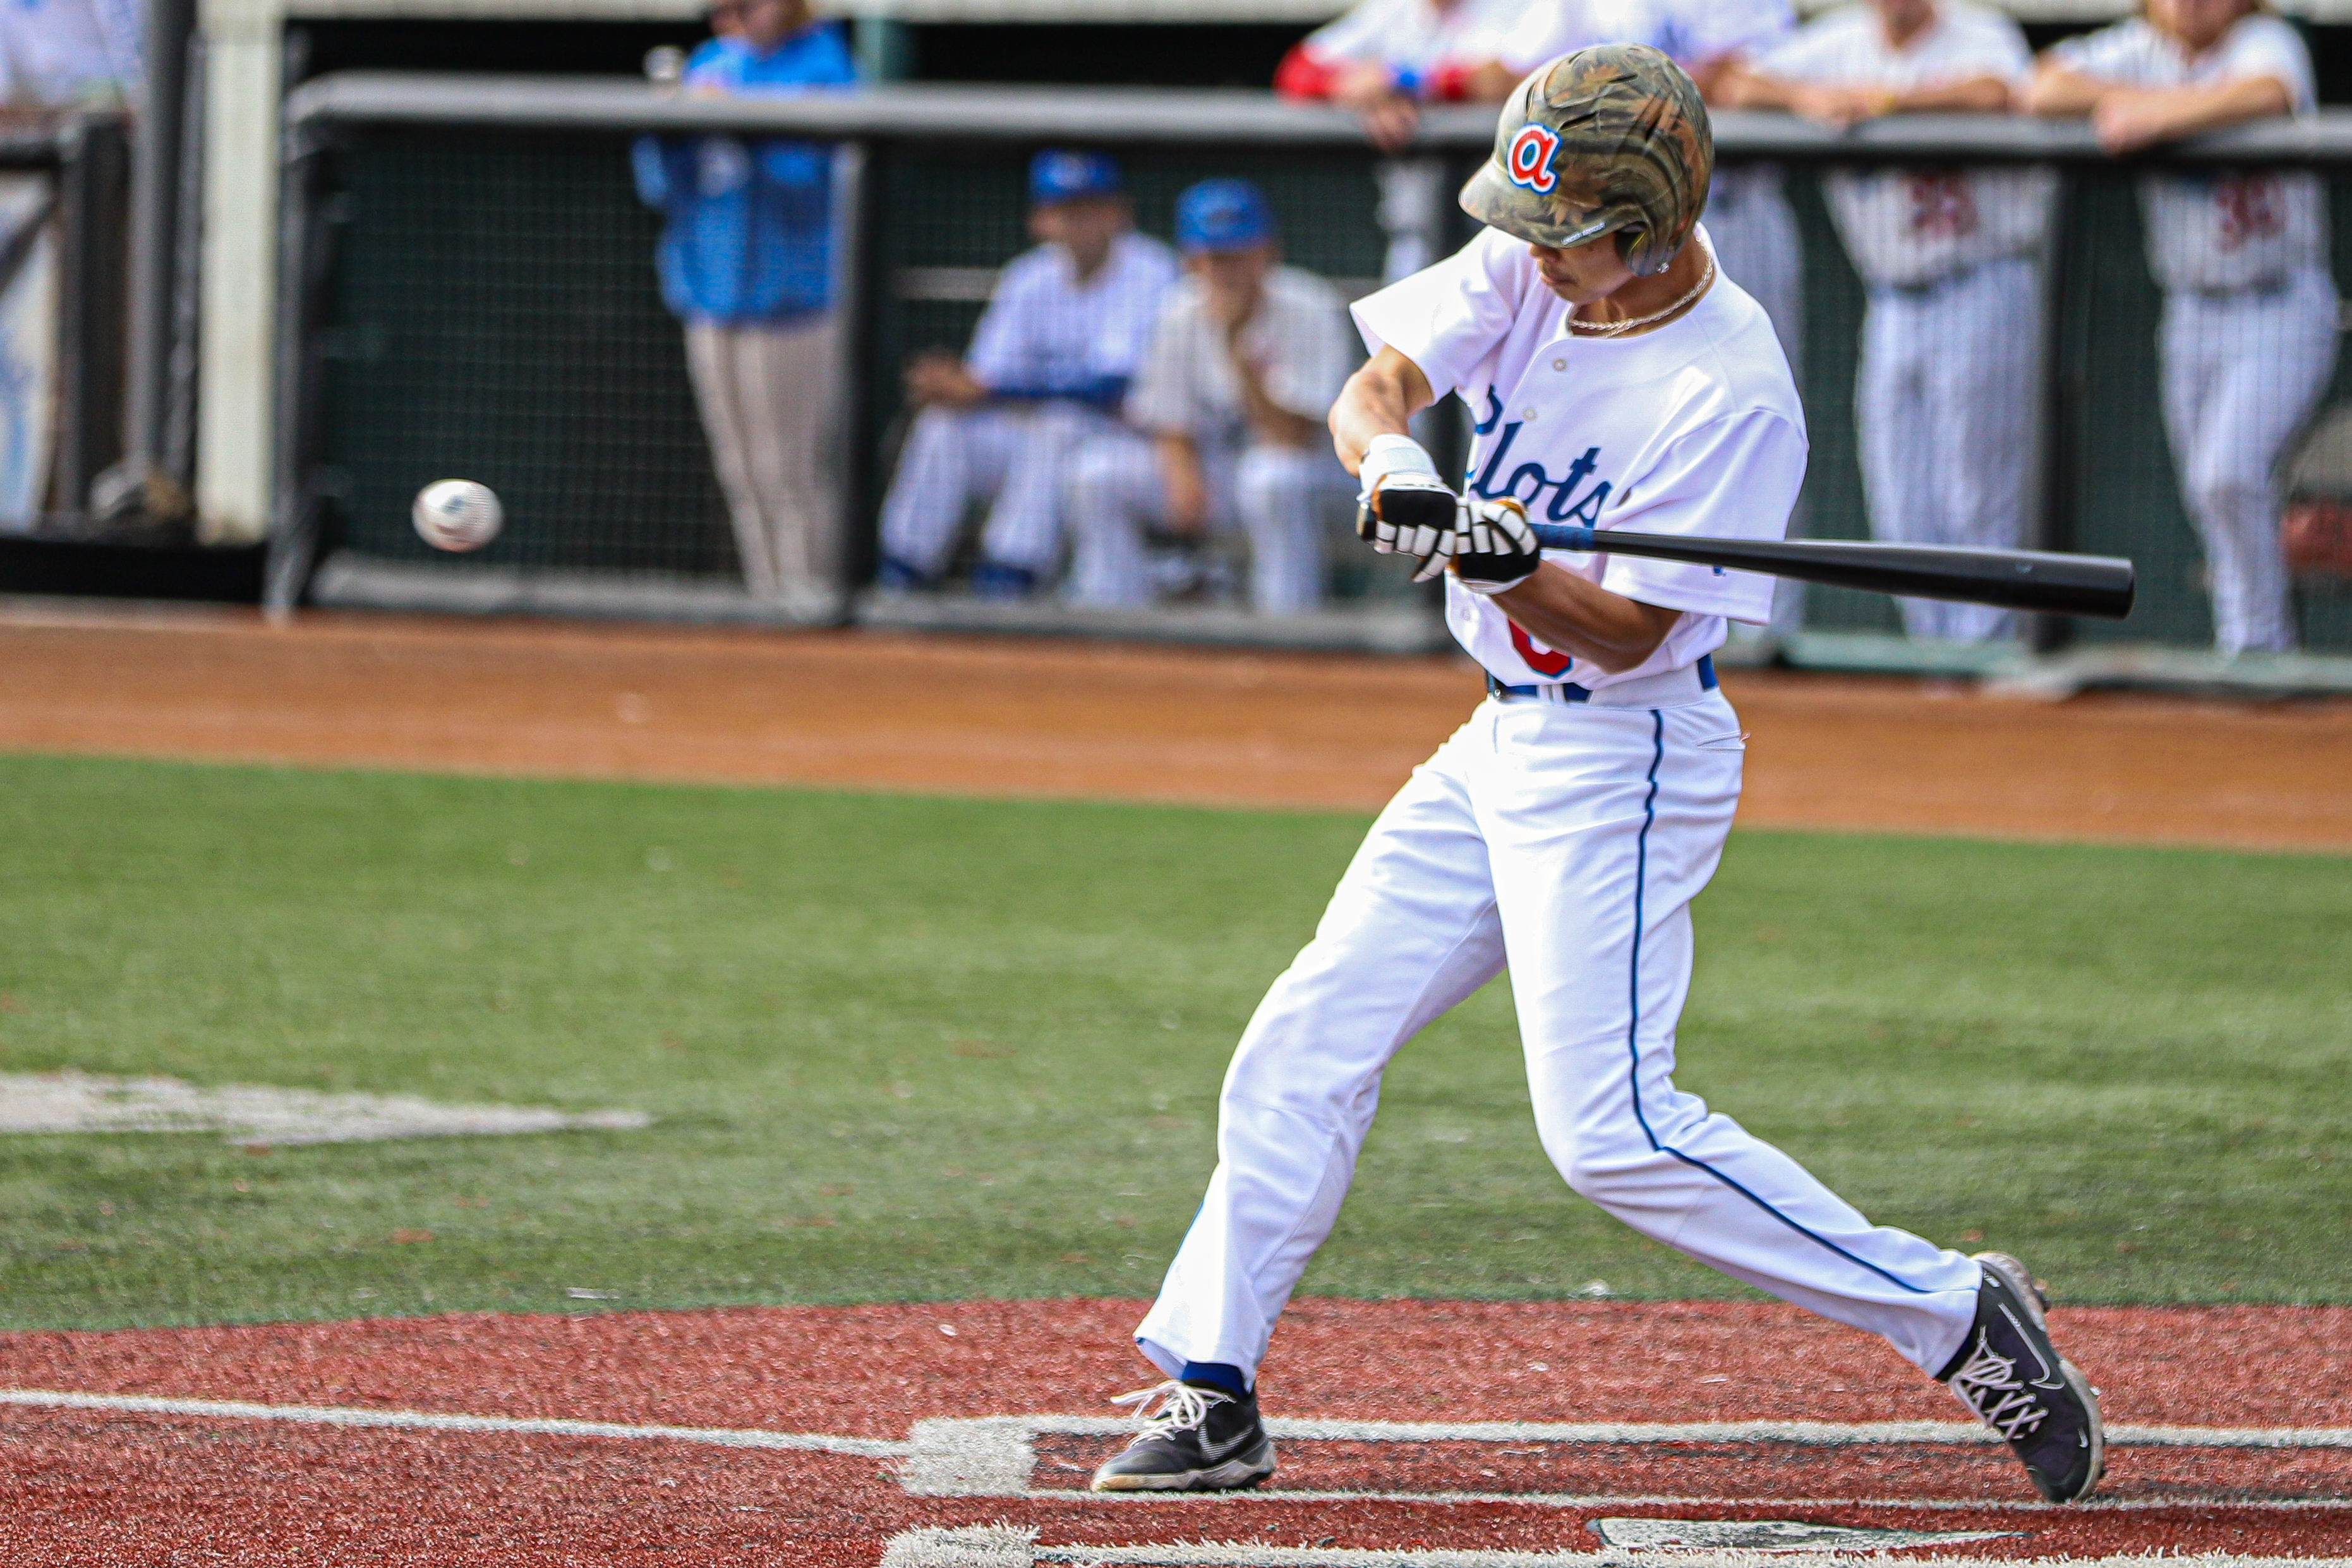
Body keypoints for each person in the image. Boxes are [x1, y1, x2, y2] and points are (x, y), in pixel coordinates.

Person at [1087, 45, 2104, 1509]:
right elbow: (1374, 385)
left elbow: (1627, 628)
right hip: (1495, 738)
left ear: (1657, 219)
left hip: (1620, 753)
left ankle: (1953, 1314)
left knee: (1609, 1135)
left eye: (1571, 239)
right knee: (1305, 1035)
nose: (1540, 258)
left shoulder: (1729, 388)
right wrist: (1397, 472)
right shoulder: (1525, 257)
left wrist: (1508, 561)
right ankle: (1212, 1385)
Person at [1720, 1, 2051, 644]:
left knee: (1978, 495)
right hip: (1892, 298)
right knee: (1901, 503)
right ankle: (1935, 656)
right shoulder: (1839, 42)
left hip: (1980, 278)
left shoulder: (1978, 32)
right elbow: (1738, 81)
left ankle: (1984, 654)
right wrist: (1811, 99)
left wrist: (1888, 102)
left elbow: (1998, 90)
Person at [2026, 0, 2334, 656]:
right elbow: (2043, 84)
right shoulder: (2140, 48)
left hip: (2277, 300)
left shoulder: (2266, 39)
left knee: (2228, 474)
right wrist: (2147, 95)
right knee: (2209, 490)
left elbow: (2269, 92)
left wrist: (2161, 114)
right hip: (2191, 310)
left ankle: (2259, 649)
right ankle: (2248, 641)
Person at [631, 0, 857, 611]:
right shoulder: (711, 63)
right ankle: (767, 601)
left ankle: (811, 602)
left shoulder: (827, 67)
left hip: (793, 301)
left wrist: (736, 121)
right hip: (710, 294)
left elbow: (812, 183)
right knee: (739, 470)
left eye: (742, 6)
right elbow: (658, 187)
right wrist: (668, 124)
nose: (726, 19)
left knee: (792, 469)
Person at [876, 152, 1177, 598]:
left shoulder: (1149, 269)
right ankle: (902, 570)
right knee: (943, 424)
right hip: (1032, 439)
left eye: (1090, 207)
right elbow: (987, 375)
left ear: (1118, 213)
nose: (1077, 221)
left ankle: (1009, 576)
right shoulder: (1028, 276)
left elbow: (1110, 387)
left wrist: (985, 390)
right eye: (1063, 208)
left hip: (1122, 439)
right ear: (1040, 219)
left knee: (1059, 424)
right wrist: (961, 390)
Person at [1063, 180, 1358, 614]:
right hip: (1221, 473)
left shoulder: (1310, 305)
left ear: (1268, 252)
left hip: (1318, 482)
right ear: (1190, 262)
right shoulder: (1178, 310)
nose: (1227, 271)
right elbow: (1166, 417)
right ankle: (1110, 618)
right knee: (1098, 471)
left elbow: (1290, 437)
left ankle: (1287, 626)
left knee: (1271, 478)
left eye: (1239, 255)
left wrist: (1235, 345)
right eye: (1215, 258)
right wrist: (1181, 475)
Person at [1272, 0, 1536, 281]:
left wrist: (1402, 80)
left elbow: (1501, 79)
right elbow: (1296, 71)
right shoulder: (1396, 9)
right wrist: (1355, 89)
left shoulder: (1518, 7)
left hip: (1505, 223)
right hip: (1414, 227)